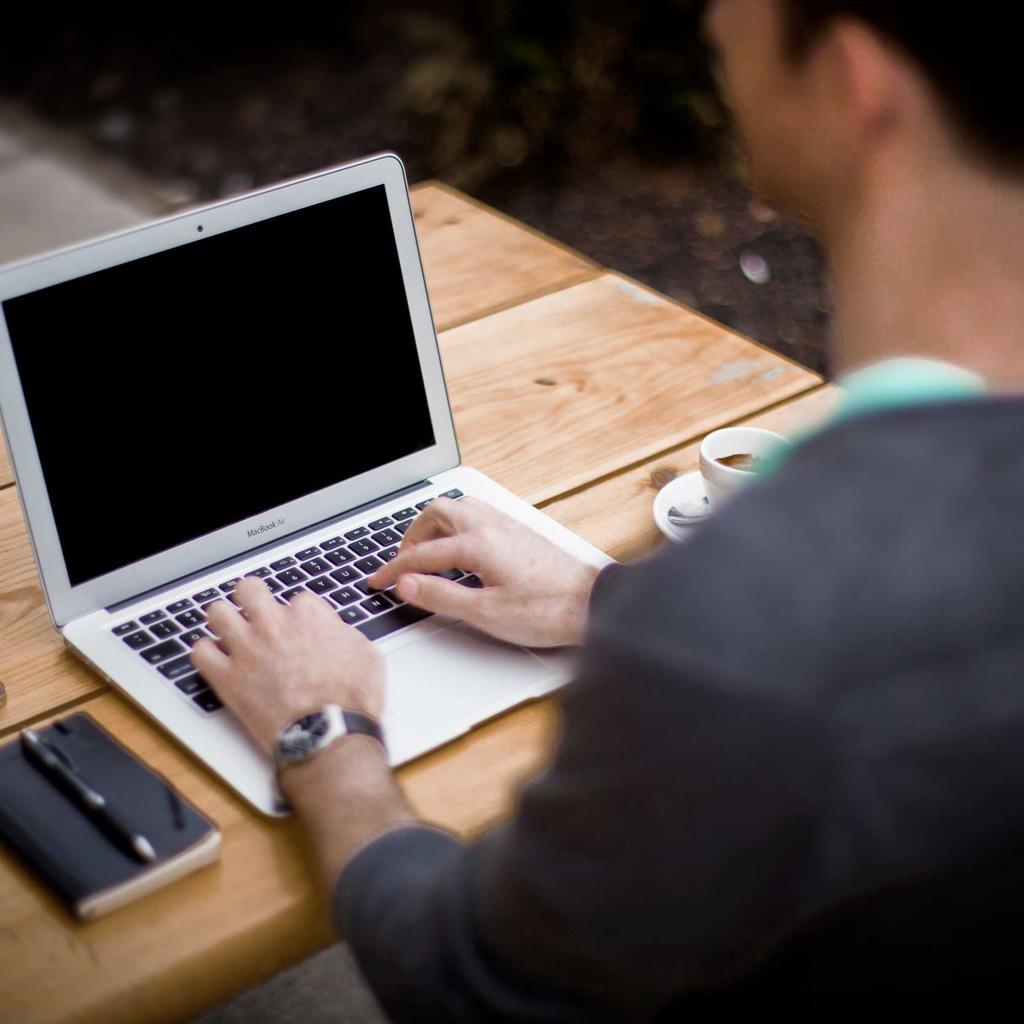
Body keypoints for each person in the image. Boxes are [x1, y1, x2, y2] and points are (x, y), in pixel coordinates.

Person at [192, 0, 1024, 1016]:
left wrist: (325, 734)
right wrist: (604, 597)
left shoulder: (765, 605)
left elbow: (467, 980)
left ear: (857, 77)